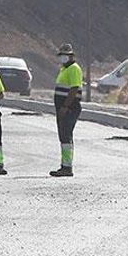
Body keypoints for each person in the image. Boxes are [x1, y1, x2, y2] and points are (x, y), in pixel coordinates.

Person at [50, 43, 83, 177]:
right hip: (63, 108)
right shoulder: (64, 69)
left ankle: (67, 167)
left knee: (66, 136)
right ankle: (65, 165)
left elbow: (74, 89)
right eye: (62, 55)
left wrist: (65, 106)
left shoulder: (74, 69)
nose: (63, 58)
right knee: (63, 136)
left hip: (70, 108)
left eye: (66, 55)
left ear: (71, 56)